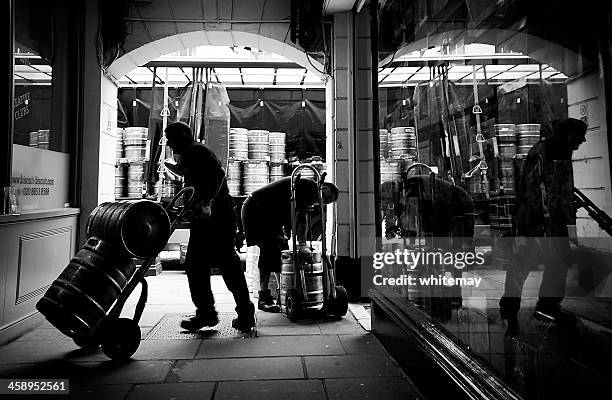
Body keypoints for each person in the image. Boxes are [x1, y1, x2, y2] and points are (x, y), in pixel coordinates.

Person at [164, 121, 255, 332]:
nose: (168, 143)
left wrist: (207, 202)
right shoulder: (190, 153)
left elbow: (219, 175)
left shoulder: (196, 151)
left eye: (170, 138)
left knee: (222, 264)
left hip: (217, 216)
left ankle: (233, 312)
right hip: (207, 217)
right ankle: (212, 313)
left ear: (181, 137)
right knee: (200, 265)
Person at [500, 118, 587, 326]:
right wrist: (547, 222)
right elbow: (542, 189)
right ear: (568, 136)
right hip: (538, 219)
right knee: (526, 262)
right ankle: (531, 308)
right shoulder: (553, 150)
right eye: (579, 136)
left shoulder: (548, 149)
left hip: (540, 218)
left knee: (548, 262)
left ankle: (532, 307)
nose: (582, 141)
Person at [241, 176, 339, 312]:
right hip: (256, 210)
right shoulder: (310, 189)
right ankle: (264, 298)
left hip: (268, 214)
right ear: (324, 188)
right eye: (326, 199)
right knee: (269, 249)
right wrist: (302, 243)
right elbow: (301, 217)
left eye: (327, 203)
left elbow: (289, 210)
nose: (323, 203)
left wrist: (290, 233)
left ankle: (282, 292)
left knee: (282, 251)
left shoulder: (307, 189)